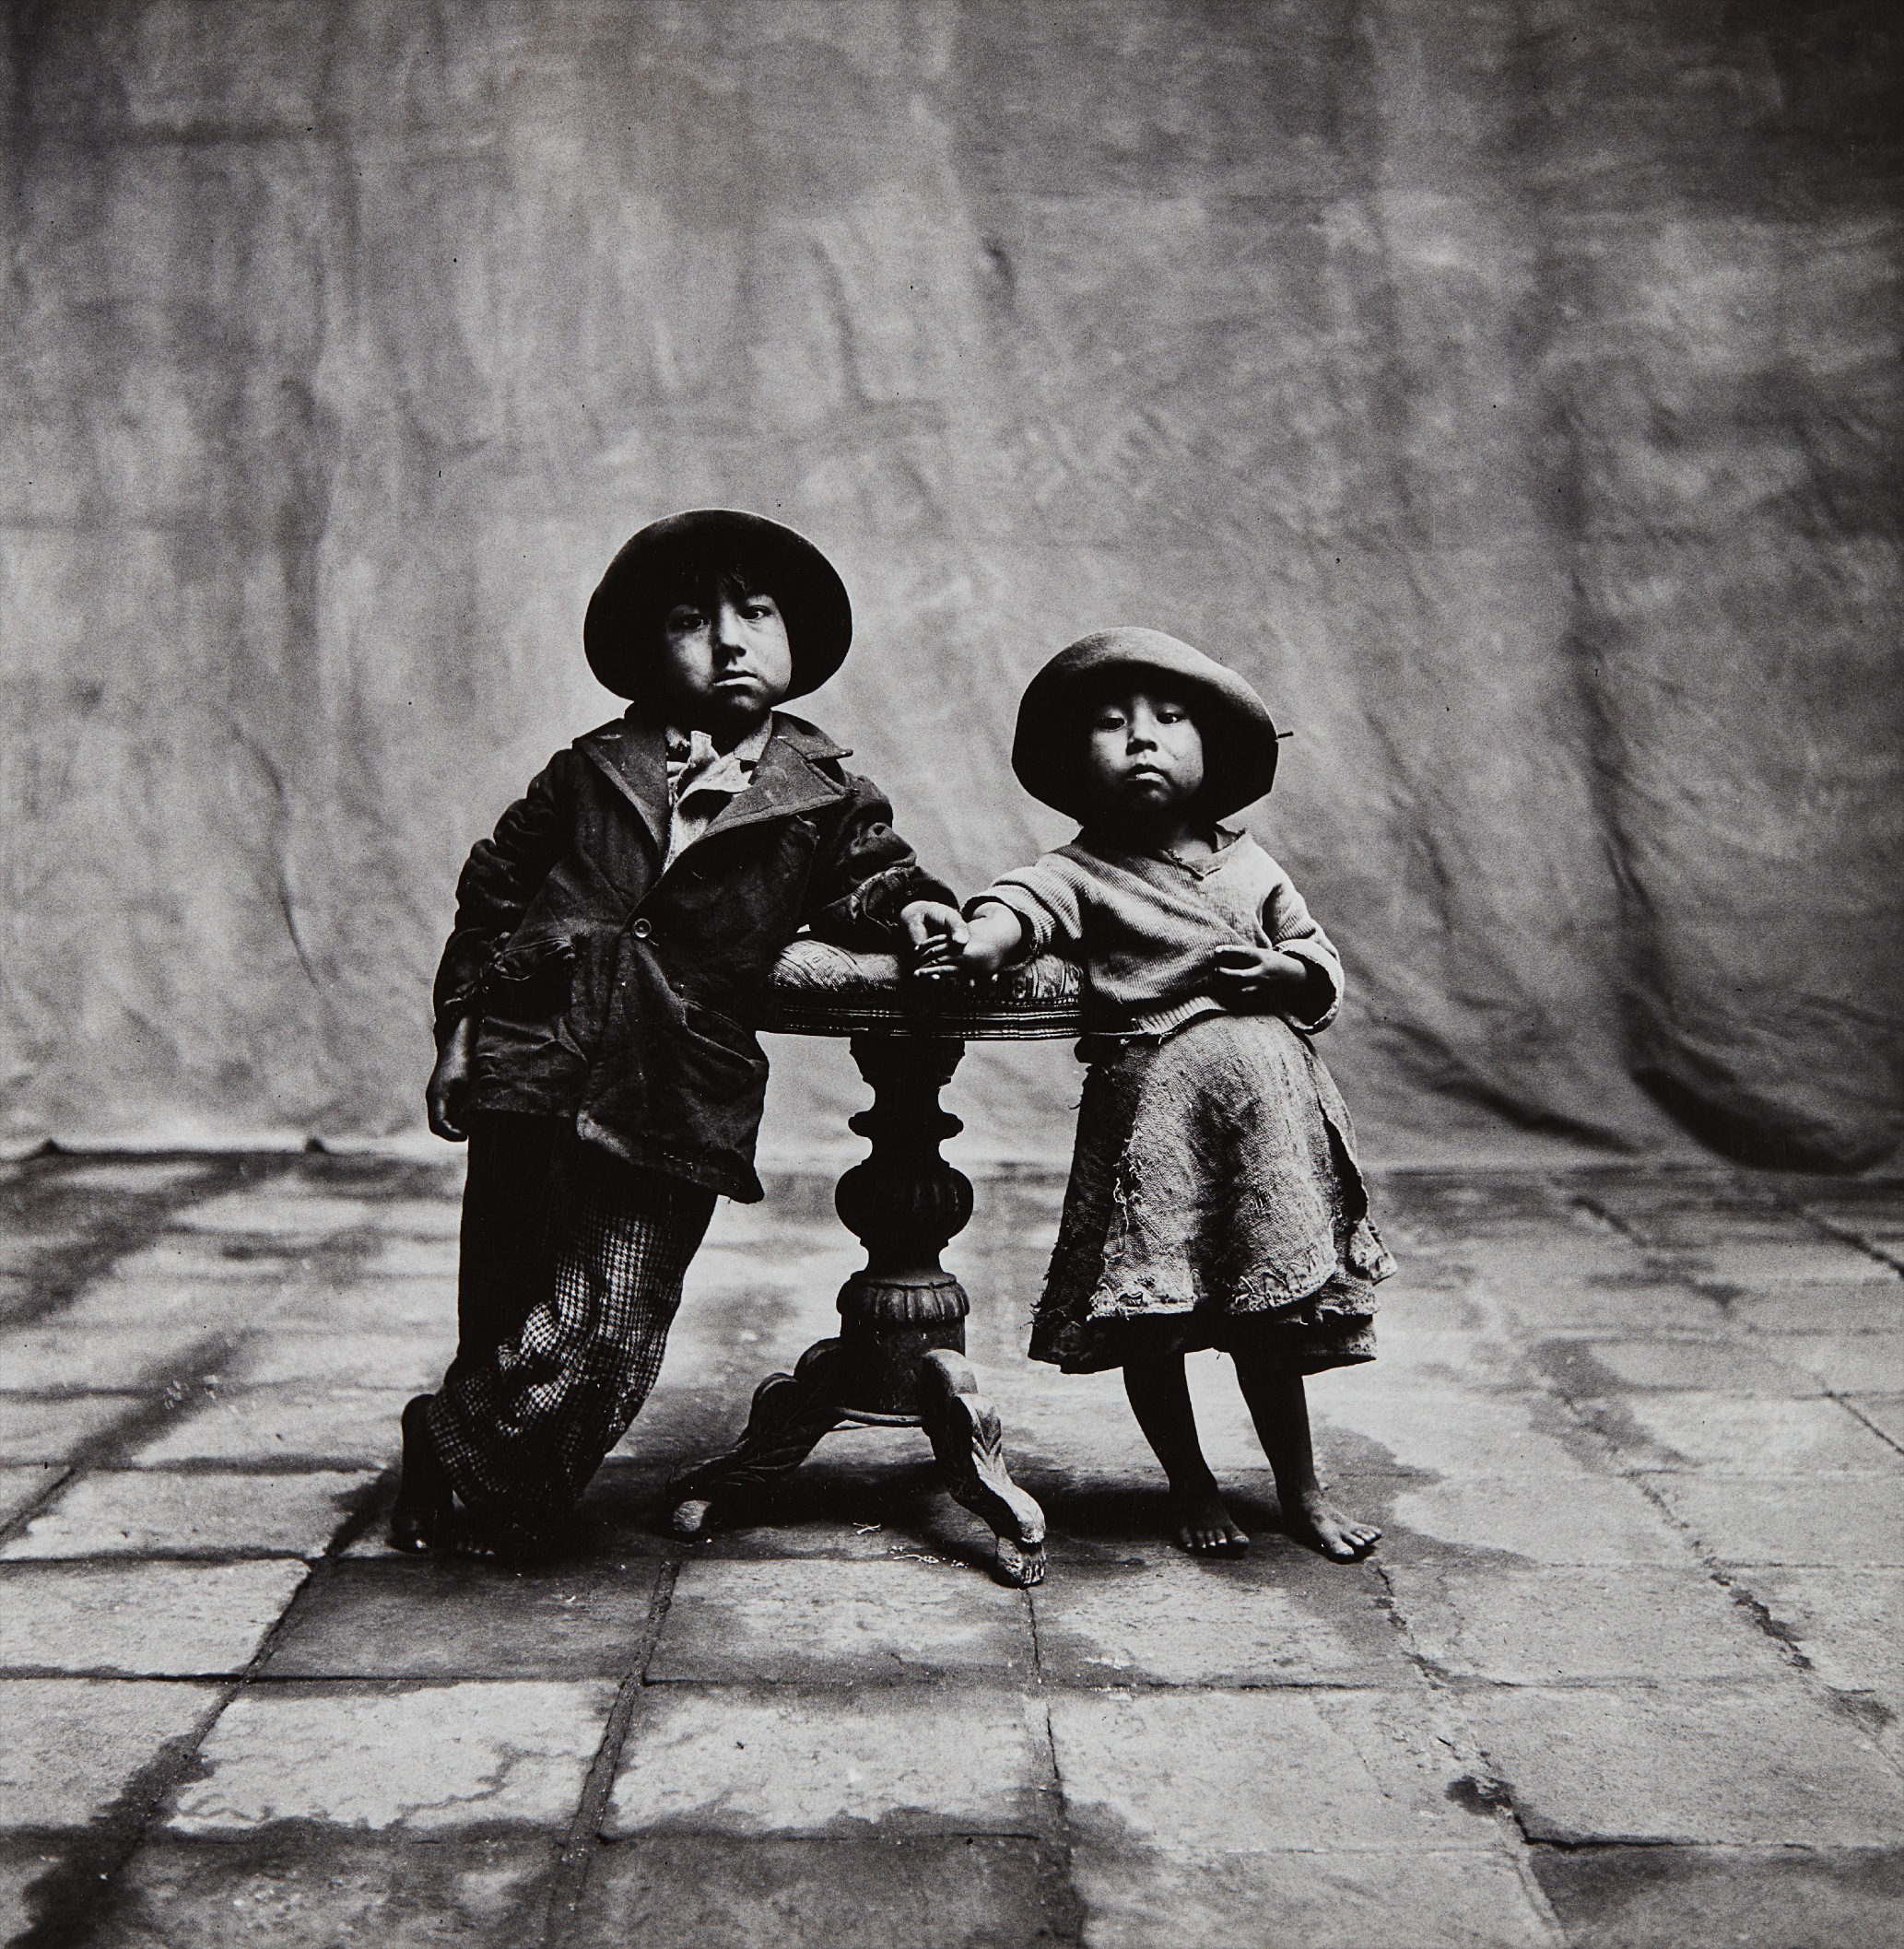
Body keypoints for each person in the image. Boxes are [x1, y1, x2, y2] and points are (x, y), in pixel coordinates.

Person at [392, 510, 955, 1555]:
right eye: (692, 621)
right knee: (510, 1292)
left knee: (614, 1314)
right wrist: (460, 1033)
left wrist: (915, 908)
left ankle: (447, 1439)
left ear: (794, 638)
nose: (730, 640)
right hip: (538, 1053)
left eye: (757, 614)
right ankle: (509, 1497)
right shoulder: (588, 769)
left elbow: (873, 877)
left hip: (675, 1078)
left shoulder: (824, 791)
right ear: (649, 650)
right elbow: (494, 893)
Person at [911, 628, 1393, 1560]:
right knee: (1153, 1320)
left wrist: (1289, 973)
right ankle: (1191, 1484)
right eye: (1111, 723)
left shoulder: (1250, 866)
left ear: (1213, 751)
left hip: (1263, 1135)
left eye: (1169, 719)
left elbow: (1317, 956)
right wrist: (982, 940)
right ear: (1072, 761)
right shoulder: (1081, 870)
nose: (1141, 738)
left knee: (1269, 1318)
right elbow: (1021, 904)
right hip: (1152, 1132)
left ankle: (1300, 1488)